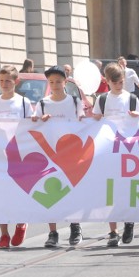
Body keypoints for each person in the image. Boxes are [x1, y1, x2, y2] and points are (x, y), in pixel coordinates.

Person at [32, 66, 85, 247]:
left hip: (70, 153)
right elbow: (33, 125)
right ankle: (53, 232)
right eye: (51, 82)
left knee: (72, 190)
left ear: (65, 81)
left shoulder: (75, 102)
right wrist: (40, 120)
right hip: (48, 154)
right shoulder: (43, 103)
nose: (55, 85)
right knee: (51, 191)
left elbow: (83, 123)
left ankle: (75, 227)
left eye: (58, 81)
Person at [93, 63, 139, 246]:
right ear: (107, 81)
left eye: (121, 81)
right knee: (110, 190)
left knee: (125, 188)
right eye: (114, 81)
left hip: (128, 151)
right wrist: (95, 118)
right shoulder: (102, 99)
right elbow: (95, 119)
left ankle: (128, 221)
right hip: (108, 149)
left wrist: (135, 116)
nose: (118, 84)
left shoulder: (130, 98)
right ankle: (113, 231)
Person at [0, 65, 31, 249]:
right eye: (1, 81)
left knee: (18, 192)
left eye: (8, 81)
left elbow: (31, 127)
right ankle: (3, 234)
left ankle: (21, 222)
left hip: (19, 155)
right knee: (0, 195)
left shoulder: (23, 103)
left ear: (16, 82)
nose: (4, 84)